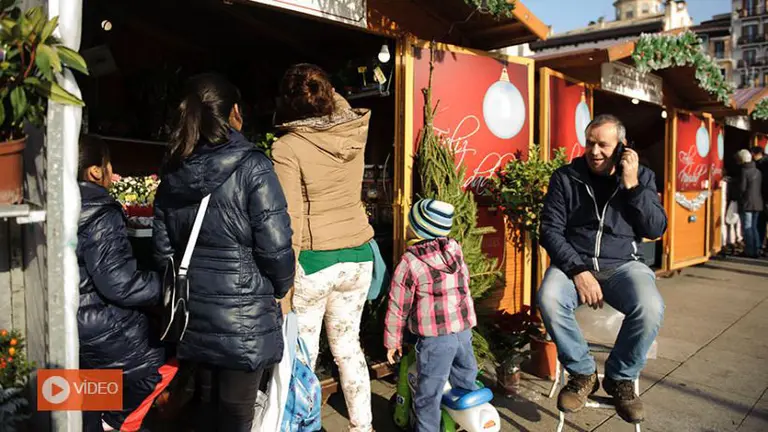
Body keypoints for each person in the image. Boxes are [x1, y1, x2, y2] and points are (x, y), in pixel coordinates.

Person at [152, 73, 295, 432]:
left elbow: (162, 250)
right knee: (235, 416)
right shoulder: (253, 167)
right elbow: (276, 246)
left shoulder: (173, 170)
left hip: (192, 318)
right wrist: (280, 287)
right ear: (235, 112)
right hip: (244, 321)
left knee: (203, 410)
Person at [538, 114, 666, 425]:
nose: (595, 151)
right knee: (549, 298)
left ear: (621, 147)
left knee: (651, 307)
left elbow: (655, 228)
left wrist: (632, 185)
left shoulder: (642, 177)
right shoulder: (566, 177)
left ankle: (620, 377)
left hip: (623, 265)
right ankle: (582, 373)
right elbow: (550, 230)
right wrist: (579, 271)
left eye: (603, 145)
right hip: (574, 263)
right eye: (590, 143)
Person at [271, 63, 376, 432]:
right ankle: (363, 427)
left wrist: (283, 286)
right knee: (349, 349)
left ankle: (304, 425)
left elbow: (290, 220)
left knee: (304, 356)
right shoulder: (354, 130)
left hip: (315, 262)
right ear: (329, 94)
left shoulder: (287, 147)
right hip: (359, 256)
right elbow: (338, 107)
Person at [76, 136, 168, 431]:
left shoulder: (57, 203)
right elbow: (119, 284)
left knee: (83, 393)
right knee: (153, 367)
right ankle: (113, 422)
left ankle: (95, 419)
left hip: (74, 320)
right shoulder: (101, 212)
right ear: (94, 171)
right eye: (108, 163)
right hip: (97, 322)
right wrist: (167, 286)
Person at [384, 199, 478, 432]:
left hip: (437, 341)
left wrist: (392, 342)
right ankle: (466, 423)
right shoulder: (454, 250)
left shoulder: (411, 262)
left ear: (418, 229)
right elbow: (464, 284)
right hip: (463, 332)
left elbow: (398, 305)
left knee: (428, 396)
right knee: (465, 382)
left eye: (410, 222)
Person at [736, 149, 764, 258]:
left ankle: (749, 251)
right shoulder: (758, 171)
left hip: (747, 202)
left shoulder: (744, 171)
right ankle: (757, 249)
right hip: (758, 201)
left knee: (747, 227)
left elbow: (742, 188)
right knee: (754, 227)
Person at [750, 146, 768, 255]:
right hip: (763, 197)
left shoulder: (761, 165)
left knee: (760, 223)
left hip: (763, 197)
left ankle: (760, 245)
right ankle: (762, 245)